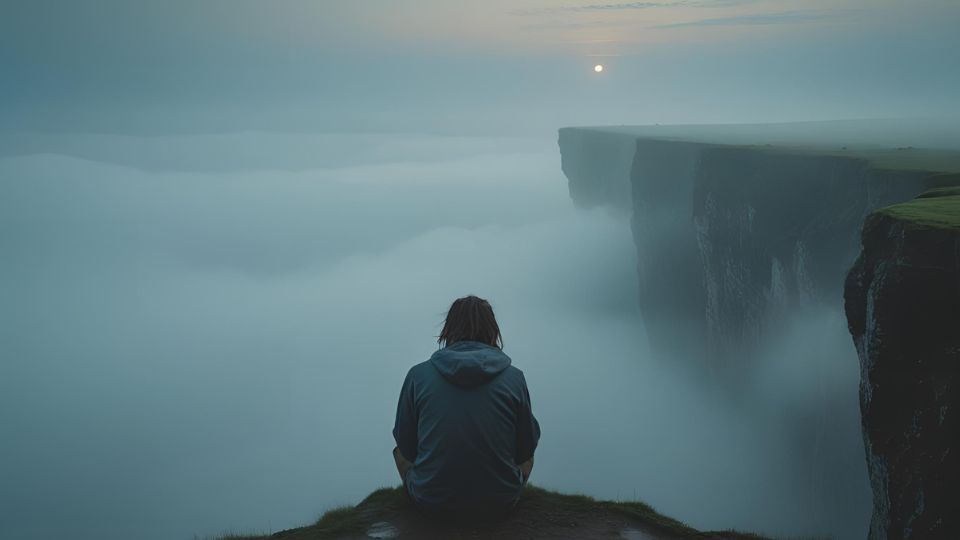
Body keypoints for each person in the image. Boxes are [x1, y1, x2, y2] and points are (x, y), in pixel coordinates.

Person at [392, 295, 540, 520]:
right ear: (492, 331)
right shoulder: (515, 378)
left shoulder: (417, 376)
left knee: (399, 453)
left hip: (431, 501)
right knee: (527, 458)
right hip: (499, 502)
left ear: (448, 330)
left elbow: (406, 445)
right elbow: (525, 448)